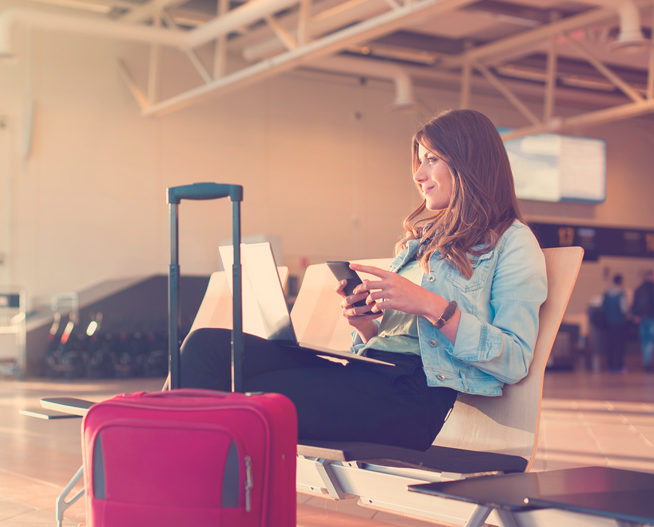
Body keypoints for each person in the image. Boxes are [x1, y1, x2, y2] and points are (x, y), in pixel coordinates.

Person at [178, 109, 548, 451]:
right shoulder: (423, 242)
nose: (418, 176)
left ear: (470, 162)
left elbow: (514, 360)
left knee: (249, 401)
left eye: (431, 160)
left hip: (412, 398)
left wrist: (429, 305)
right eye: (419, 162)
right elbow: (393, 341)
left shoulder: (513, 242)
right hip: (368, 374)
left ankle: (188, 495)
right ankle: (189, 487)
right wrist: (367, 326)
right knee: (204, 348)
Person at [602, 274, 629, 373]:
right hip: (619, 322)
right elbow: (624, 309)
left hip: (609, 322)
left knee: (610, 344)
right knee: (619, 345)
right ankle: (619, 366)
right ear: (621, 281)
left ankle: (610, 365)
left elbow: (603, 307)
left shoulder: (607, 293)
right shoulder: (622, 294)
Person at [632, 270, 654, 373]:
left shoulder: (638, 289)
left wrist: (636, 315)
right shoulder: (652, 288)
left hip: (641, 318)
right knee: (650, 341)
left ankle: (646, 362)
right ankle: (647, 363)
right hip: (651, 317)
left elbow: (634, 304)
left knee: (645, 341)